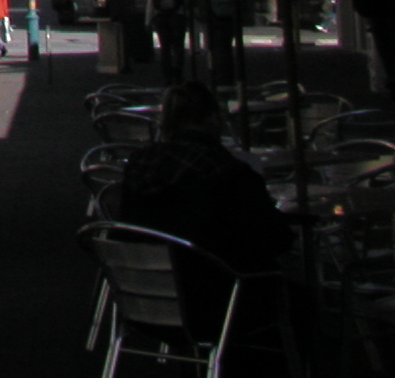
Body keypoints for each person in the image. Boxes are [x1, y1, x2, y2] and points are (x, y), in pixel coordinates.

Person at [118, 82, 293, 352]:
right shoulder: (229, 174)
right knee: (297, 301)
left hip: (144, 299)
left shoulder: (139, 167)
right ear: (213, 119)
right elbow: (275, 240)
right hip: (219, 302)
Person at [145, 0, 191, 85]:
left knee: (165, 47)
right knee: (178, 46)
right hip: (177, 15)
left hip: (161, 17)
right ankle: (178, 73)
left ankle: (166, 75)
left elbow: (150, 3)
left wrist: (148, 21)